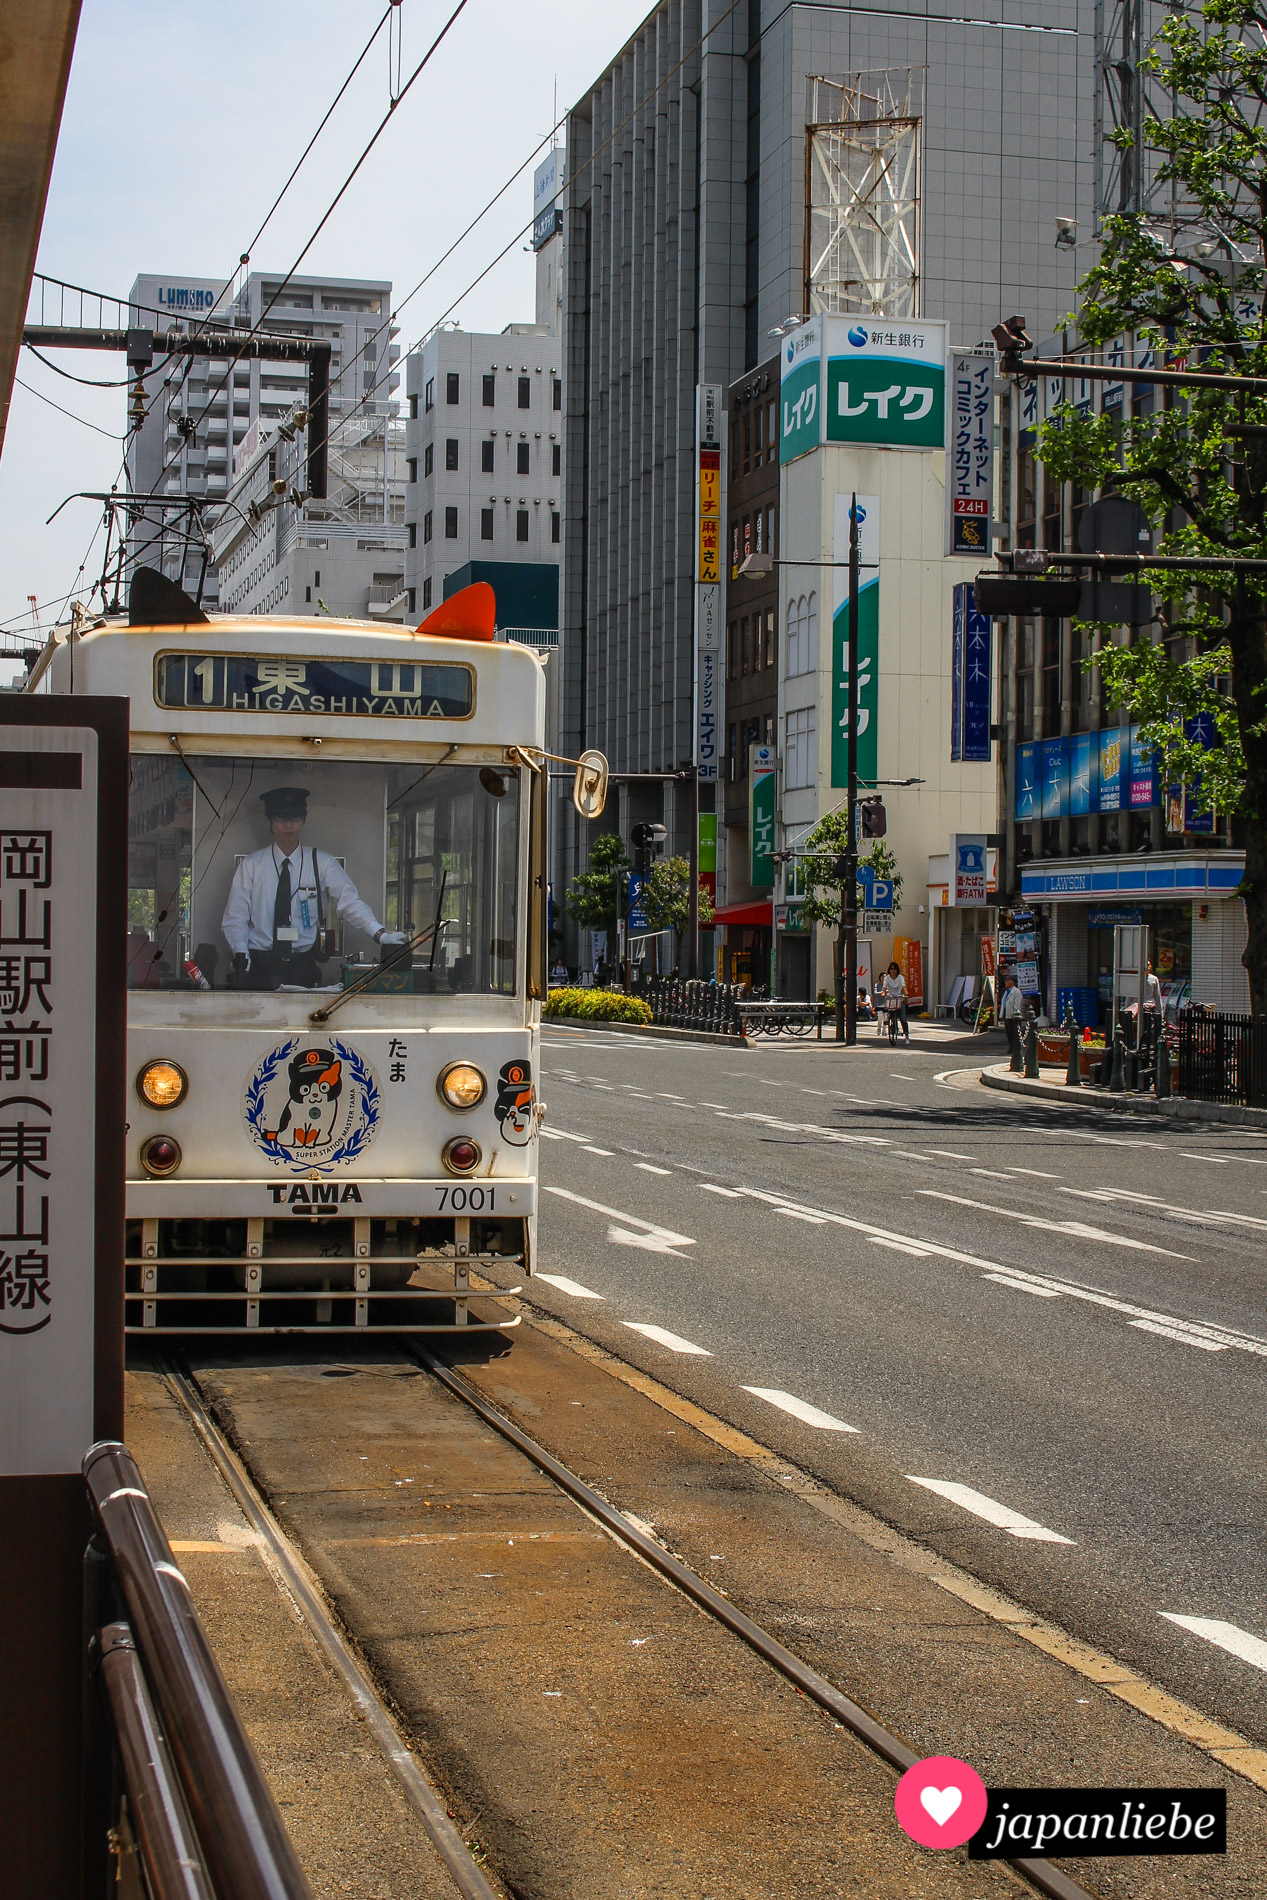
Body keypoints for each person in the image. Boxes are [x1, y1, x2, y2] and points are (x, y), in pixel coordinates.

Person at [222, 786, 408, 989]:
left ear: (303, 820)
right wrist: (243, 960)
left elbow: (349, 902)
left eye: (295, 819)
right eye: (281, 819)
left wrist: (380, 934)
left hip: (302, 966)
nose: (288, 825)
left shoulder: (321, 862)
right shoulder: (251, 866)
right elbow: (235, 918)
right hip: (261, 965)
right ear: (270, 820)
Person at [878, 959, 909, 1042]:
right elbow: (884, 988)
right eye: (891, 969)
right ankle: (890, 1023)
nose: (893, 971)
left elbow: (903, 987)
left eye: (894, 969)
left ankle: (906, 1035)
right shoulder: (887, 978)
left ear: (897, 970)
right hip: (891, 999)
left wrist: (906, 993)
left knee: (903, 1018)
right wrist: (883, 993)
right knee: (890, 1012)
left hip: (899, 998)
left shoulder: (900, 977)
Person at [999, 969, 1025, 1060]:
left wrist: (1015, 1013)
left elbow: (1017, 1003)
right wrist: (1001, 1014)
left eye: (1008, 981)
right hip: (1007, 1014)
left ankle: (1014, 1048)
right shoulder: (1006, 991)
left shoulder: (1016, 991)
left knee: (1014, 1032)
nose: (1006, 982)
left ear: (1012, 982)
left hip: (1013, 1016)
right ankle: (1010, 1047)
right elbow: (1004, 1003)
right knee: (1008, 1032)